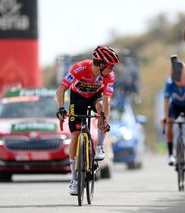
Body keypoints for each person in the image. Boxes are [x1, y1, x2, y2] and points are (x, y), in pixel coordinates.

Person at [56, 45, 120, 195]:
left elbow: (106, 100)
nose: (112, 70)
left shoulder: (109, 76)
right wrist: (60, 108)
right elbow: (61, 88)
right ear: (102, 64)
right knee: (75, 135)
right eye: (110, 66)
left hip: (95, 97)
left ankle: (99, 147)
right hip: (77, 98)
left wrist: (104, 120)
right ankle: (74, 178)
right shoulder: (80, 68)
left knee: (101, 108)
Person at [162, 74, 185, 175]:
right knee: (169, 123)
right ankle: (170, 155)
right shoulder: (169, 82)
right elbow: (166, 101)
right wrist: (166, 117)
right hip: (175, 107)